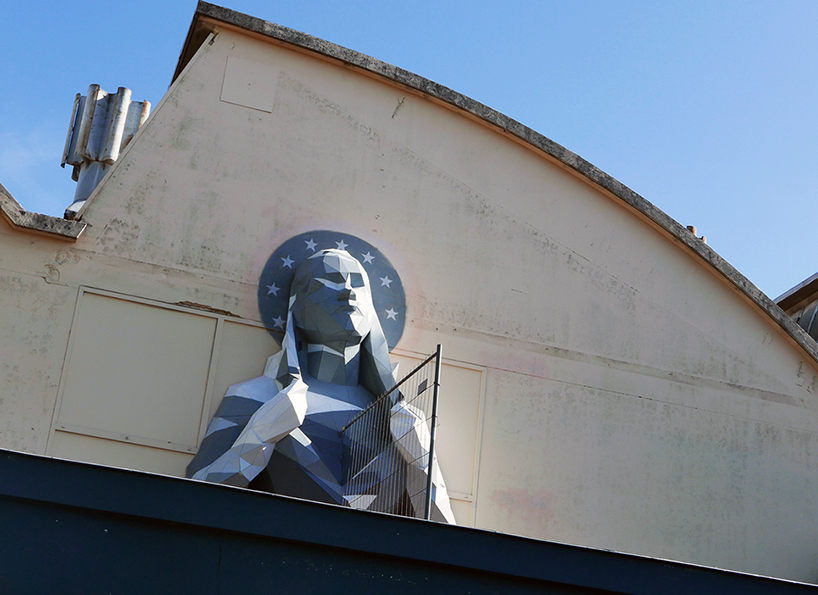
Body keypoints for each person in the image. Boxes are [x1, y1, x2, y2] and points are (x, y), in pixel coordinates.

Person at [186, 249, 454, 522]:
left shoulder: (403, 421)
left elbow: (448, 538)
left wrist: (421, 459)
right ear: (297, 307)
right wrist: (259, 437)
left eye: (357, 283)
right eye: (330, 280)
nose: (347, 292)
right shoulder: (255, 399)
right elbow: (191, 501)